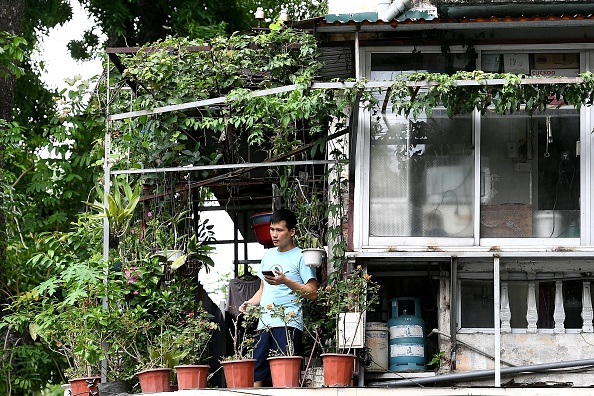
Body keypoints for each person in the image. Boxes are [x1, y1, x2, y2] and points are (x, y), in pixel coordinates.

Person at [238, 208, 318, 387]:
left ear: (292, 231)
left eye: (279, 230)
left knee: (284, 380)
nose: (274, 235)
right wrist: (250, 303)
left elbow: (313, 293)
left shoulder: (301, 257)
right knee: (255, 377)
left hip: (288, 324)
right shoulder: (268, 255)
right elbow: (263, 289)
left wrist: (285, 280)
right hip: (264, 325)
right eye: (272, 229)